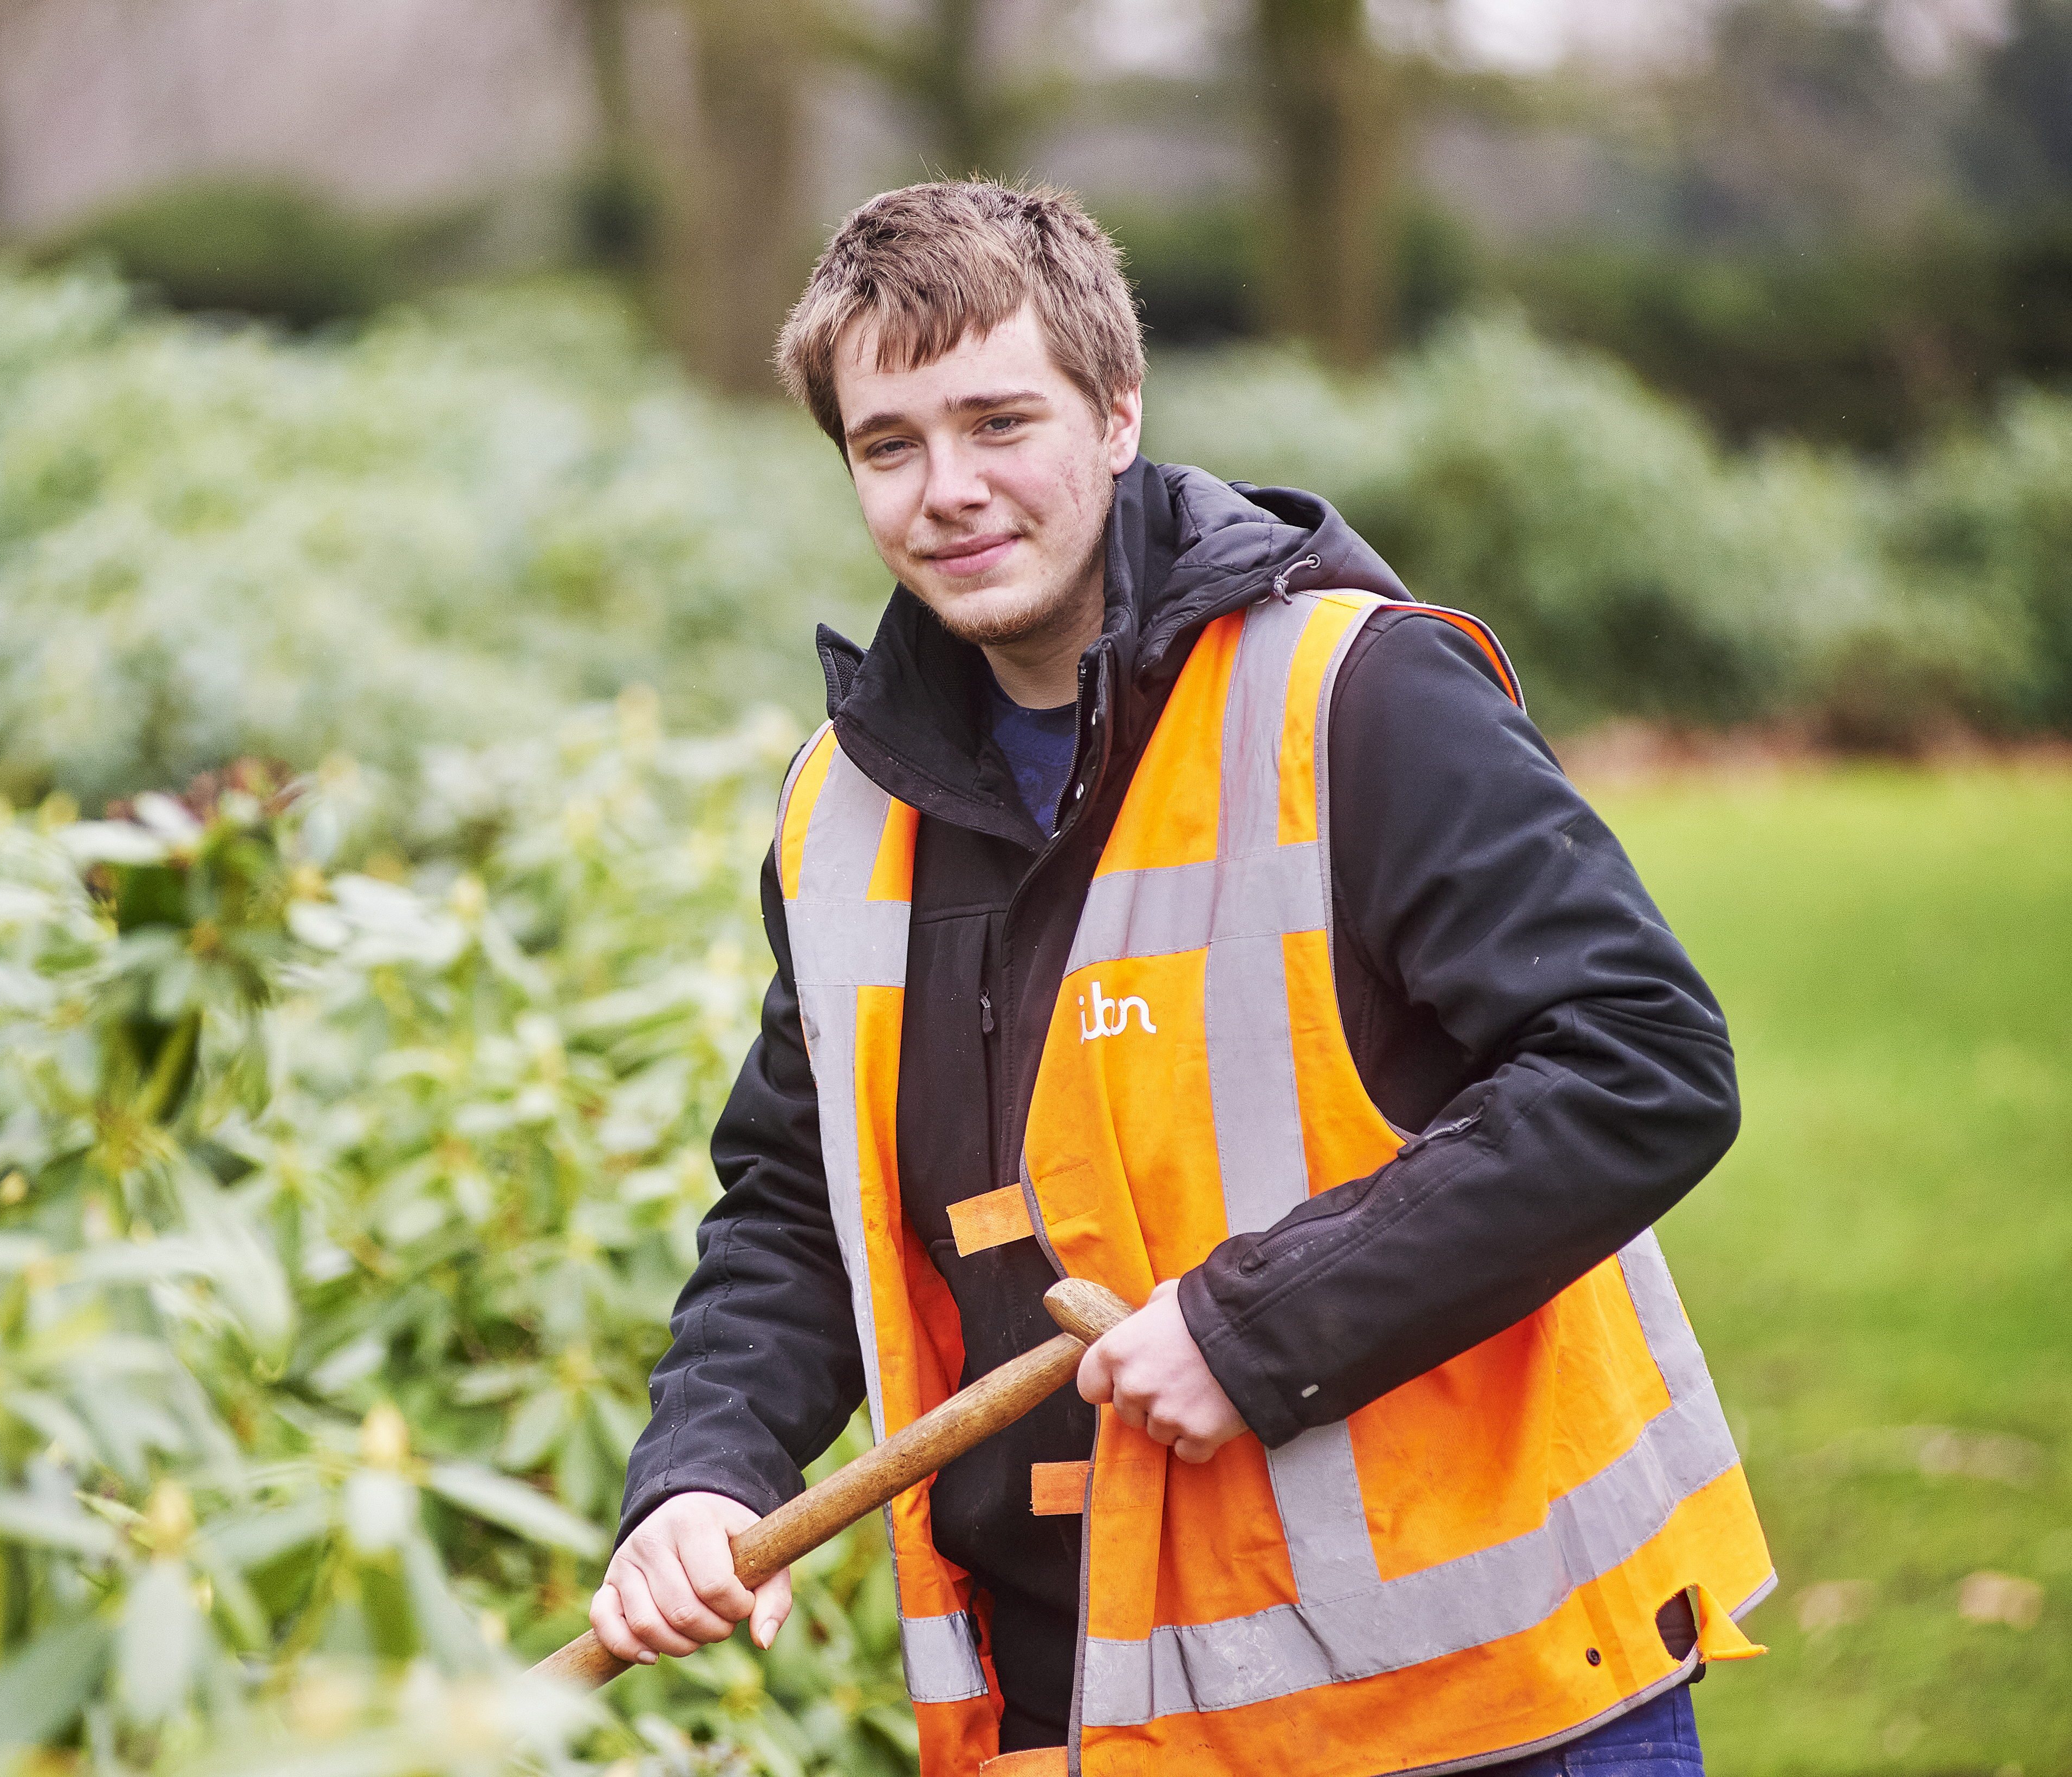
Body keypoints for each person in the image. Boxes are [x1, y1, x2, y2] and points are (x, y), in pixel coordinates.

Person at [590, 180, 1776, 1777]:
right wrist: (702, 1470)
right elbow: (798, 1209)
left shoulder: (1352, 694)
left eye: (1000, 420)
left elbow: (1640, 1067)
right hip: (1076, 1707)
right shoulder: (838, 809)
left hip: (1483, 1708)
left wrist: (1258, 1324)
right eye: (890, 446)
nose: (950, 490)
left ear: (1118, 409)